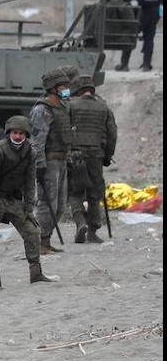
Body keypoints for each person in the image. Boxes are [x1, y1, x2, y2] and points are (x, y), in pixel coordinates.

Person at [0, 116, 54, 288]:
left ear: (26, 134)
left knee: (32, 231)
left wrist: (28, 209)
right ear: (9, 133)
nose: (18, 136)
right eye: (15, 133)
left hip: (12, 198)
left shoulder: (30, 152)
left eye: (21, 133)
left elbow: (29, 181)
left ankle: (36, 273)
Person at [66, 75, 118, 244]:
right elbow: (112, 134)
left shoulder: (70, 105)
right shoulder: (103, 107)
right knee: (95, 194)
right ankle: (93, 232)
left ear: (78, 89)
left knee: (75, 192)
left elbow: (63, 130)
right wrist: (108, 156)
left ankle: (80, 222)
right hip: (96, 155)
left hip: (75, 155)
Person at [29, 68, 75, 254]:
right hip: (48, 163)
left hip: (62, 161)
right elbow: (37, 141)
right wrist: (39, 165)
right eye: (63, 86)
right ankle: (39, 243)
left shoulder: (63, 107)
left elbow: (67, 135)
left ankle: (46, 241)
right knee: (48, 204)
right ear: (53, 88)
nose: (66, 89)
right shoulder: (42, 109)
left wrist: (69, 156)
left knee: (60, 206)